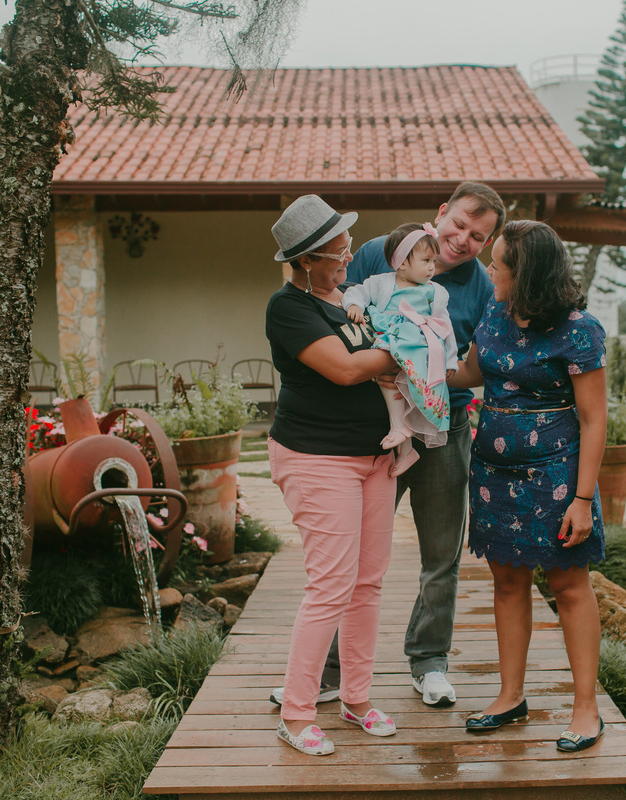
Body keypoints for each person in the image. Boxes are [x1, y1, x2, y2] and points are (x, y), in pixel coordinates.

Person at [341, 182, 506, 706]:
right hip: (378, 425)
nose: (463, 240)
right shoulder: (378, 251)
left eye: (478, 236)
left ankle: (429, 660)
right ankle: (326, 669)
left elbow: (476, 364)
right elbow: (340, 318)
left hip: (447, 428)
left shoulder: (480, 285)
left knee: (442, 552)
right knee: (352, 551)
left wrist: (430, 377)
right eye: (459, 224)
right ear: (441, 213)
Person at [451, 220, 608, 752]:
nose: (489, 269)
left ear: (526, 274)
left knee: (567, 586)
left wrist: (583, 499)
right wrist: (407, 366)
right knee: (507, 582)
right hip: (494, 475)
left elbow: (594, 420)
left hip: (558, 476)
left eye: (498, 264)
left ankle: (585, 709)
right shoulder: (495, 311)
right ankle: (510, 696)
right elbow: (469, 373)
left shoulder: (579, 329)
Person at [265, 195, 400, 756]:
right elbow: (345, 370)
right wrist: (404, 352)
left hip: (375, 458)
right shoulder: (287, 308)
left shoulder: (349, 301)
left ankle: (356, 699)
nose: (347, 257)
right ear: (303, 260)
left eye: (346, 246)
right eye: (335, 252)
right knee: (330, 586)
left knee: (367, 585)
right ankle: (296, 713)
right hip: (317, 459)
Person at [343, 222, 458, 477]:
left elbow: (444, 327)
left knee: (405, 389)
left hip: (419, 349)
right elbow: (356, 291)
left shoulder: (435, 293)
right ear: (402, 262)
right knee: (390, 382)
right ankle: (406, 450)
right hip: (394, 343)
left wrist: (450, 361)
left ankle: (400, 431)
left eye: (434, 260)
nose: (432, 267)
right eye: (426, 260)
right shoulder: (382, 283)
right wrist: (355, 305)